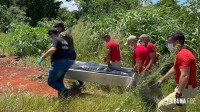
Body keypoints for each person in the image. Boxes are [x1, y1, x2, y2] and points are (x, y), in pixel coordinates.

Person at [157, 31, 198, 112]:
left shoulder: (182, 55)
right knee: (180, 110)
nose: (168, 45)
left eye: (170, 43)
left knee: (162, 106)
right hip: (187, 90)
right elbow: (175, 68)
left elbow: (185, 75)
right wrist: (163, 78)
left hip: (185, 92)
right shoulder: (184, 52)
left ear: (177, 42)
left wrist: (179, 93)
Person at [38, 28, 71, 97]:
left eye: (50, 36)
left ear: (51, 34)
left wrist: (42, 57)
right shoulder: (64, 41)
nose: (50, 37)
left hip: (59, 64)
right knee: (59, 81)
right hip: (67, 63)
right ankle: (63, 98)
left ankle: (66, 91)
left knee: (51, 82)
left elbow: (53, 49)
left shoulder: (55, 39)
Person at [125, 35, 156, 105]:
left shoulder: (137, 50)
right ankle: (128, 101)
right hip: (140, 72)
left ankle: (153, 103)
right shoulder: (142, 47)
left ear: (132, 42)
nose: (129, 46)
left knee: (143, 91)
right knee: (130, 87)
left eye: (129, 44)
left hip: (141, 73)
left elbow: (139, 64)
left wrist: (134, 69)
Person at [54, 23, 84, 87]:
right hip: (71, 53)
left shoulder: (62, 34)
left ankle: (60, 85)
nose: (56, 28)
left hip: (68, 54)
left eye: (57, 27)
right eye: (56, 27)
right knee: (70, 69)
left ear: (61, 27)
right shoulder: (66, 32)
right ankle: (80, 80)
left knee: (63, 69)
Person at [139, 34, 163, 99]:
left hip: (151, 67)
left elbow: (152, 58)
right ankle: (158, 94)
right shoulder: (145, 45)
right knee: (150, 82)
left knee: (150, 82)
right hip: (148, 67)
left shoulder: (150, 46)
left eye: (141, 40)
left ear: (145, 39)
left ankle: (159, 94)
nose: (140, 41)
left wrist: (148, 67)